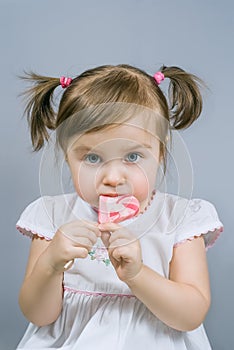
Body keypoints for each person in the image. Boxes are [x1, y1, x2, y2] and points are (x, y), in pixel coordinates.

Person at [16, 64, 223, 350]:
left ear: (161, 152)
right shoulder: (52, 217)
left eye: (133, 156)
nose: (112, 178)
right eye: (91, 158)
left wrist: (138, 275)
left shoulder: (180, 219)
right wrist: (51, 264)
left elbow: (190, 316)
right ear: (67, 156)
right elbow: (39, 315)